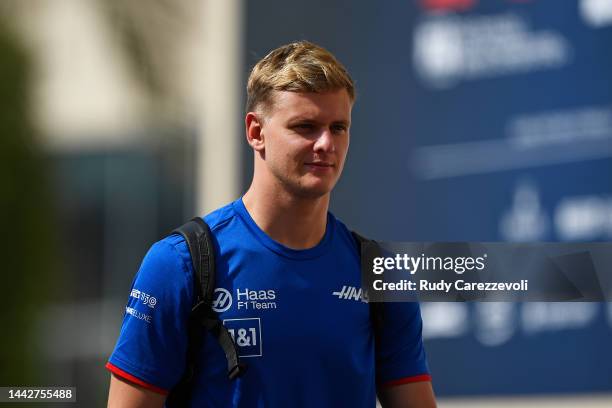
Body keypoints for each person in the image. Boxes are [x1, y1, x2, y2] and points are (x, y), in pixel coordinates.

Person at [106, 40, 436, 408]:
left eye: (339, 127)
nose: (326, 143)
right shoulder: (180, 264)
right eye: (306, 126)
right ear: (255, 132)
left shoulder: (380, 274)